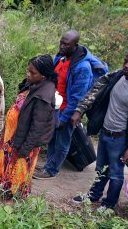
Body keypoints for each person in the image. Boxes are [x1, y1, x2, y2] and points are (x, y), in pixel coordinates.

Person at [70, 46, 128, 212]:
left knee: (116, 174)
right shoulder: (117, 76)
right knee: (101, 168)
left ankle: (109, 204)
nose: (126, 65)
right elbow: (95, 90)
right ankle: (93, 195)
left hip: (121, 138)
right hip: (105, 131)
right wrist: (79, 110)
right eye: (125, 61)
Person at [35, 30, 98, 179]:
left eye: (66, 44)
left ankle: (51, 170)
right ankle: (49, 165)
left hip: (66, 110)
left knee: (62, 141)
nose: (62, 46)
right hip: (54, 107)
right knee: (51, 138)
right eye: (61, 42)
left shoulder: (82, 67)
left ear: (75, 45)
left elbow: (78, 97)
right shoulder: (61, 57)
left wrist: (66, 117)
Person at [0, 55, 57, 198]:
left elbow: (37, 127)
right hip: (14, 135)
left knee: (18, 168)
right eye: (28, 71)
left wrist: (26, 148)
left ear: (44, 76)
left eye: (32, 73)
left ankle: (14, 196)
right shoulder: (34, 85)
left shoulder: (43, 97)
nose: (28, 74)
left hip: (24, 141)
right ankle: (5, 189)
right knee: (9, 165)